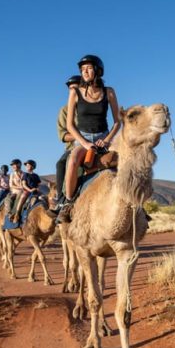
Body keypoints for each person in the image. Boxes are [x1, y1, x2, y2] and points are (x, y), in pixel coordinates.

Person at [58, 54, 121, 222]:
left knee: (123, 161)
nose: (85, 72)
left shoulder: (109, 92)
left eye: (88, 68)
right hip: (83, 138)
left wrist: (107, 139)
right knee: (72, 161)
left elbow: (117, 122)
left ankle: (135, 204)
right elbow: (70, 125)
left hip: (103, 136)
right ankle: (68, 203)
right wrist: (85, 143)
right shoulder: (75, 92)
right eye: (82, 69)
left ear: (98, 70)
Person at [55, 74, 81, 205]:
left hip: (96, 142)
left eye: (76, 88)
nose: (74, 91)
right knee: (60, 164)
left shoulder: (90, 107)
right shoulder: (64, 111)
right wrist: (81, 137)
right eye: (71, 89)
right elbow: (63, 135)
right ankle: (61, 201)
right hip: (74, 147)